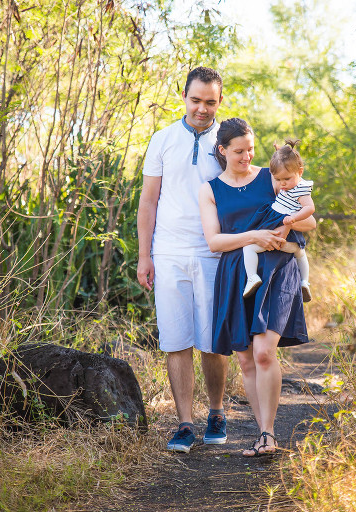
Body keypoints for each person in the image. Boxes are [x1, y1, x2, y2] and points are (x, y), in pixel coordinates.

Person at [198, 118, 315, 456]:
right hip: (239, 272)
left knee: (265, 352)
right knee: (247, 362)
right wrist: (255, 236)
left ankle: (270, 433)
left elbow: (310, 220)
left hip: (278, 268)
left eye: (251, 149)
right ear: (223, 151)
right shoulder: (211, 189)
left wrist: (286, 225)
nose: (248, 156)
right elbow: (214, 242)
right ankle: (263, 435)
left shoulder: (272, 175)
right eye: (239, 151)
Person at [137, 67, 229, 453]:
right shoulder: (162, 139)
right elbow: (148, 200)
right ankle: (185, 423)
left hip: (214, 252)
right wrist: (145, 256)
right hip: (169, 251)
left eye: (210, 102)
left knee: (212, 340)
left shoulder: (229, 141)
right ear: (184, 97)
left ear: (219, 102)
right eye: (196, 100)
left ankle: (217, 411)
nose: (202, 109)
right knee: (176, 339)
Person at [241, 139, 314, 302]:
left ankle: (253, 277)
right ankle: (304, 282)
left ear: (300, 172)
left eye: (286, 179)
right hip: (281, 237)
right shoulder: (289, 181)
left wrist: (293, 219)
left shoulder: (301, 189)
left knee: (249, 248)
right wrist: (279, 150)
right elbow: (287, 162)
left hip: (282, 234)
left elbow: (310, 208)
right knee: (299, 252)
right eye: (278, 179)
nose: (282, 184)